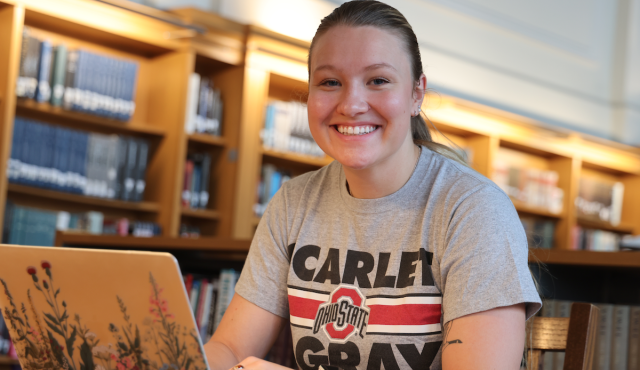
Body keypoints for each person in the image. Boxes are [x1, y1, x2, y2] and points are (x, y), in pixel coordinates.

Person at [204, 1, 541, 369]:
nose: (351, 104)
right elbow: (231, 349)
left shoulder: (474, 210)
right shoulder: (292, 202)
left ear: (416, 94)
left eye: (378, 80)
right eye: (330, 82)